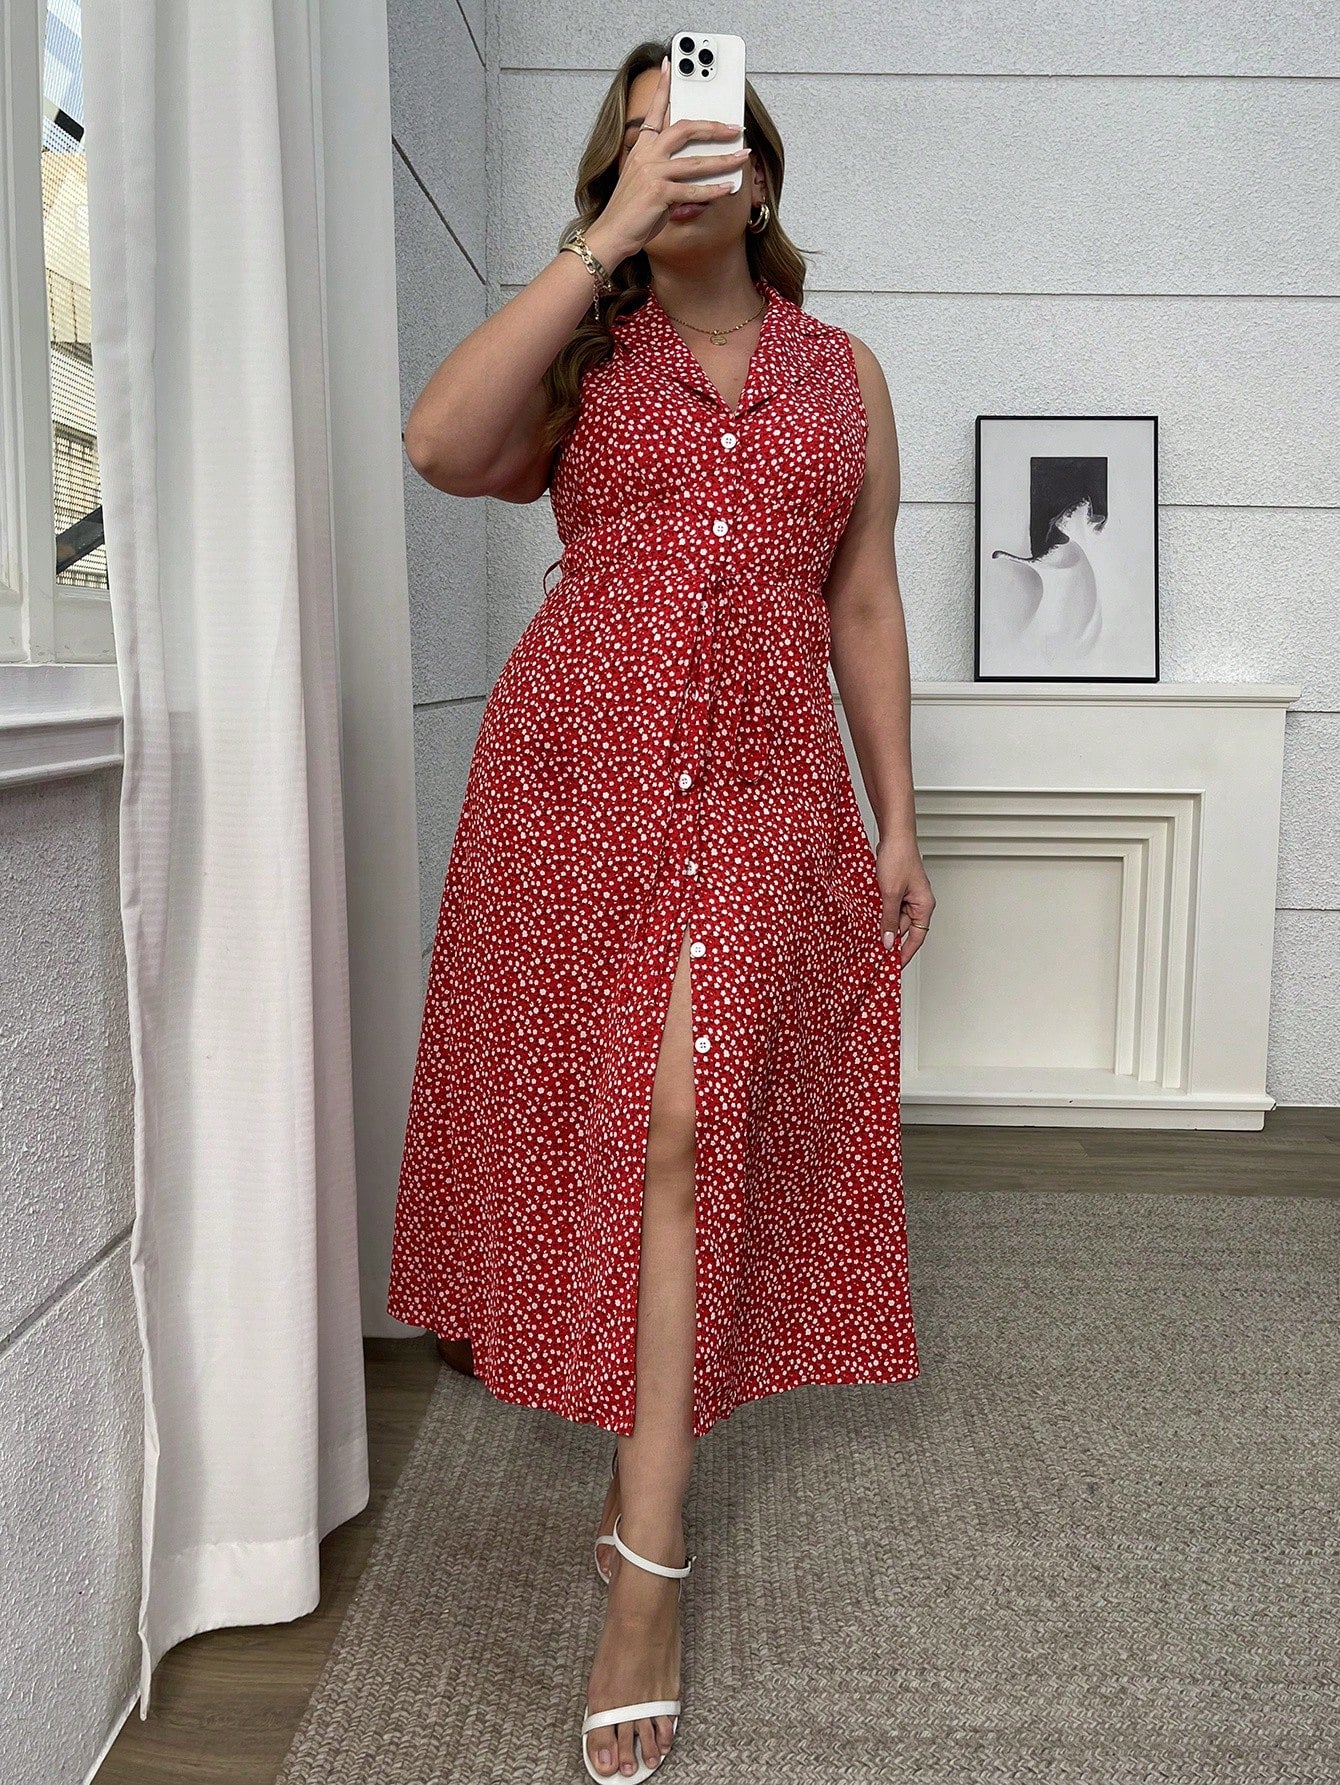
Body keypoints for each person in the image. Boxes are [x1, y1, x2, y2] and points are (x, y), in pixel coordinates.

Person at [385, 40, 935, 1783]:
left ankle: (647, 1567)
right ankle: (643, 1519)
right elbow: (439, 444)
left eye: (695, 139)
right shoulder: (583, 343)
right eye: (637, 146)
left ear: (756, 171)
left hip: (770, 791)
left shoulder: (845, 374)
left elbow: (862, 600)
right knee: (624, 1134)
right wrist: (598, 243)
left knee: (693, 1128)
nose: (672, 165)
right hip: (581, 783)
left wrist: (900, 819)